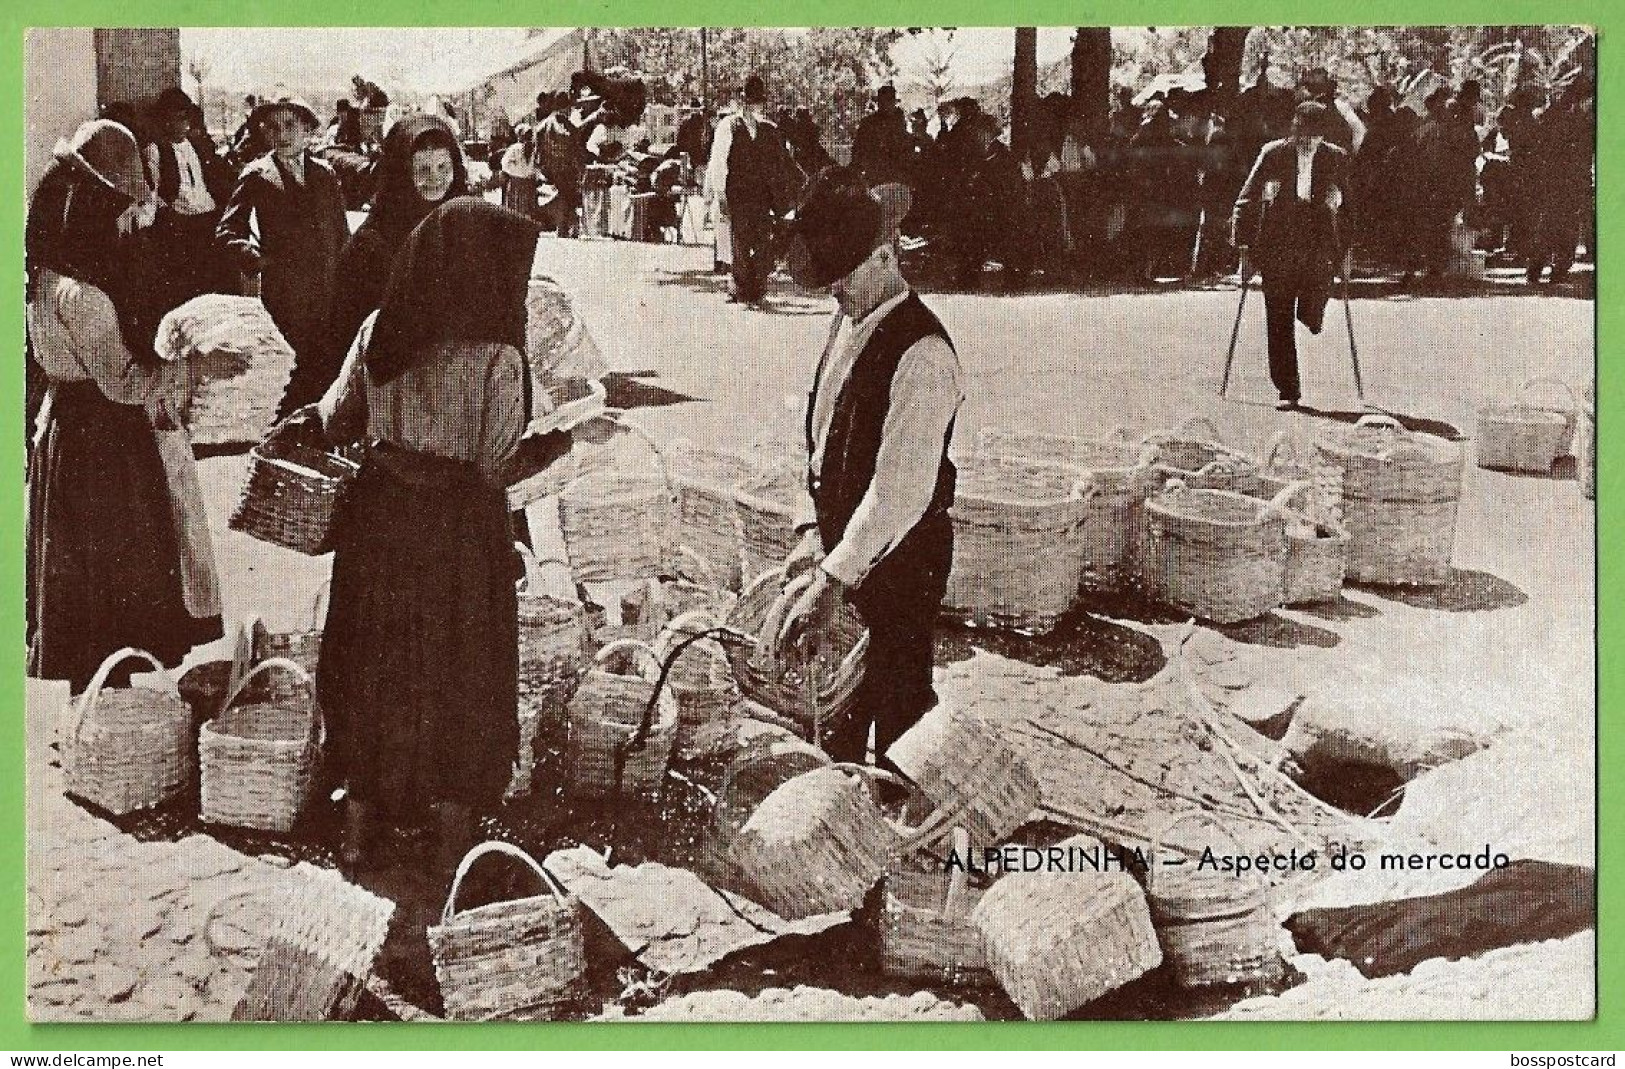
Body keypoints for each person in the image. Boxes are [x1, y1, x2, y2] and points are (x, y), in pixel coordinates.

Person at [307, 199, 566, 889]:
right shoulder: (497, 356)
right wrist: (566, 439)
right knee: (460, 675)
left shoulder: (380, 329)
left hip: (380, 516)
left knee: (372, 663)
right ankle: (451, 842)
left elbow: (335, 422)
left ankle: (360, 828)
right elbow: (494, 465)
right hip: (458, 532)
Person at [772, 167, 963, 770]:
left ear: (886, 256)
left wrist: (835, 578)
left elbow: (900, 491)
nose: (835, 293)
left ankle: (911, 830)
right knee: (836, 709)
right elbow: (821, 436)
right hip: (844, 551)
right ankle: (846, 815)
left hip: (902, 561)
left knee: (901, 708)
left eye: (844, 279)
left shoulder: (924, 353)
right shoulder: (848, 319)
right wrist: (812, 530)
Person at [27, 119, 223, 690]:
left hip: (67, 434)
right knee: (117, 586)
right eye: (118, 209)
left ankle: (90, 716)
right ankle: (110, 716)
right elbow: (128, 383)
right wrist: (199, 366)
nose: (125, 223)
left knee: (81, 593)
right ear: (92, 208)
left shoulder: (45, 276)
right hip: (106, 446)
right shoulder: (83, 296)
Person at [217, 95, 350, 419]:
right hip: (286, 294)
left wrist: (350, 279)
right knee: (292, 374)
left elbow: (342, 233)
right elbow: (227, 230)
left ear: (306, 129)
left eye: (291, 125)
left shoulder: (325, 174)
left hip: (328, 290)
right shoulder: (258, 175)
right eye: (274, 128)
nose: (283, 134)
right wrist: (254, 257)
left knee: (330, 370)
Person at [1231, 100, 1349, 410]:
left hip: (1317, 239)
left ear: (1323, 136)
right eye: (1302, 136)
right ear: (1293, 132)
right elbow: (1245, 200)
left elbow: (1354, 208)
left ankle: (1312, 313)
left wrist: (1340, 207)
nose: (1307, 142)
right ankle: (1289, 390)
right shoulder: (1274, 154)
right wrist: (1244, 248)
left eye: (1314, 137)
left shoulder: (1336, 158)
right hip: (1279, 240)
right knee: (1279, 315)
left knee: (1312, 303)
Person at [329, 114, 470, 362]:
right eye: (422, 169)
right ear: (402, 173)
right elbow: (346, 335)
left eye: (443, 167)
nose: (435, 179)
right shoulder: (369, 246)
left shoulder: (464, 225)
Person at [705, 74, 799, 305]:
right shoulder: (728, 126)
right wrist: (720, 195)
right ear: (741, 100)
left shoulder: (770, 129)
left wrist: (788, 195)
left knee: (765, 244)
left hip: (762, 196)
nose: (752, 105)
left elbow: (783, 163)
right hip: (737, 194)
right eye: (748, 100)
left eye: (756, 101)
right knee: (739, 243)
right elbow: (718, 163)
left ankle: (754, 285)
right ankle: (741, 288)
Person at [143, 87, 233, 311]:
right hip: (181, 225)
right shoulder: (156, 150)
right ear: (165, 121)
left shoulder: (196, 146)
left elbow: (213, 177)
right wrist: (169, 216)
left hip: (208, 219)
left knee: (215, 279)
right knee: (187, 285)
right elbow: (153, 192)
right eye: (177, 119)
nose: (184, 125)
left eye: (186, 118)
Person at [851, 84, 912, 188]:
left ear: (893, 102)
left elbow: (905, 147)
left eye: (888, 101)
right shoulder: (868, 123)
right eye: (882, 101)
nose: (885, 105)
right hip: (874, 175)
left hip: (896, 176)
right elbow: (858, 149)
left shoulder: (899, 123)